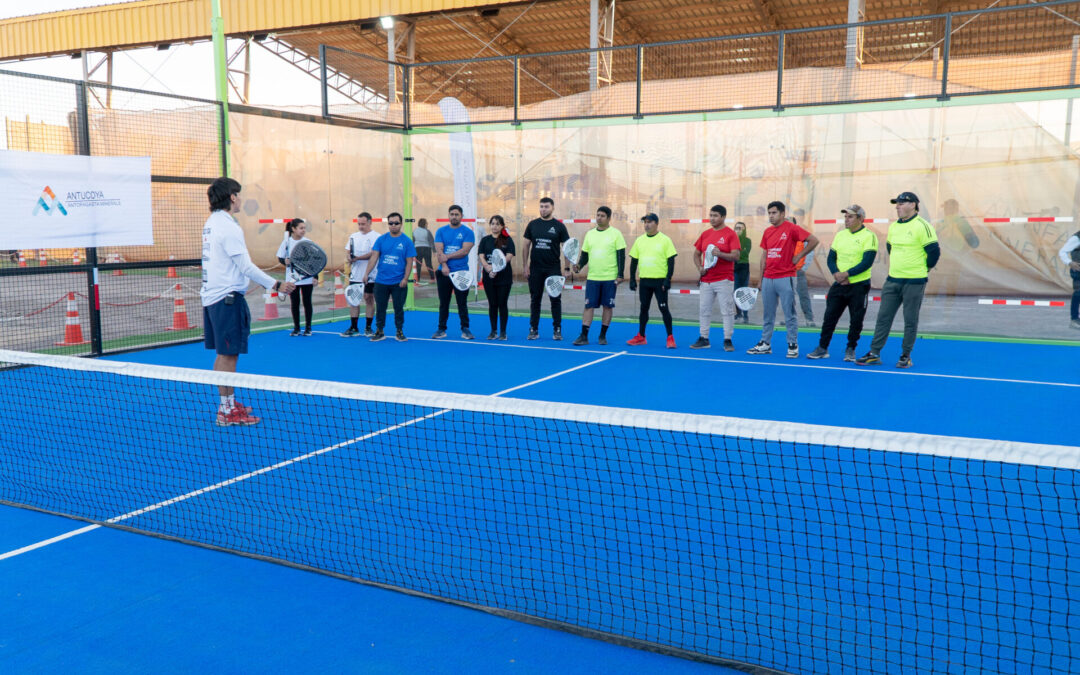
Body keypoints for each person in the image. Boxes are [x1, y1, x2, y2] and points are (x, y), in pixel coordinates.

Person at [200, 177, 294, 426]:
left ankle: (227, 404)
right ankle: (227, 411)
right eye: (239, 195)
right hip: (227, 300)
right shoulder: (229, 227)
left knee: (224, 354)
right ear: (232, 197)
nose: (241, 199)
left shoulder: (212, 223)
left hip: (214, 298)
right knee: (229, 356)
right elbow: (245, 266)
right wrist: (276, 284)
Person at [856, 192, 941, 369]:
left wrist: (923, 269)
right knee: (883, 317)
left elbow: (934, 252)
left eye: (902, 203)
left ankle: (905, 355)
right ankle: (874, 353)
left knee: (910, 319)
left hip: (914, 281)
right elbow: (890, 247)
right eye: (897, 203)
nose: (898, 206)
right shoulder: (894, 227)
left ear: (914, 205)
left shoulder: (922, 226)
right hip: (893, 280)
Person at [747, 201, 819, 358]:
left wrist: (799, 256)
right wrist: (761, 279)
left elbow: (813, 240)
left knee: (789, 312)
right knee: (768, 313)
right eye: (769, 213)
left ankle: (792, 344)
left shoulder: (792, 228)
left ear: (782, 214)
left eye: (774, 213)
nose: (771, 216)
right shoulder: (767, 232)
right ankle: (765, 343)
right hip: (768, 278)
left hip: (786, 276)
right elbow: (764, 256)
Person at [806, 205, 878, 361]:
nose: (846, 219)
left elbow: (867, 262)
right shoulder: (840, 235)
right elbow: (831, 258)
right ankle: (822, 348)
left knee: (856, 320)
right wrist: (836, 274)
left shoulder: (869, 236)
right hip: (839, 284)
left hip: (859, 285)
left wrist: (848, 274)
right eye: (845, 217)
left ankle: (851, 349)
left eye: (850, 216)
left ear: (860, 218)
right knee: (829, 317)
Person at [572, 206, 626, 346]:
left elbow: (621, 256)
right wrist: (579, 266)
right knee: (588, 306)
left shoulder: (616, 234)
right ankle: (584, 336)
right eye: (597, 215)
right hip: (593, 278)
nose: (599, 218)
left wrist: (620, 274)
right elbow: (585, 255)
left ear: (608, 218)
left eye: (602, 215)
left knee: (607, 307)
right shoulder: (590, 234)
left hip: (609, 278)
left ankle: (602, 336)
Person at [690, 205, 741, 351]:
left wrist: (721, 254)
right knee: (704, 310)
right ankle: (704, 338)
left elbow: (736, 256)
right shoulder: (705, 234)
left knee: (727, 311)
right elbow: (696, 254)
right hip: (706, 280)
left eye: (716, 215)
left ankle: (728, 340)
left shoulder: (730, 234)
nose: (712, 218)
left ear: (723, 217)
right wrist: (700, 268)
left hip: (724, 280)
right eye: (711, 215)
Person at [522, 197, 570, 340]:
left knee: (555, 299)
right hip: (535, 269)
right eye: (541, 206)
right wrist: (525, 266)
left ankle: (557, 329)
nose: (543, 209)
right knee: (535, 299)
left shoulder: (559, 226)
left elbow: (567, 248)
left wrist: (566, 268)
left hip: (553, 269)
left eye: (546, 206)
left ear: (552, 208)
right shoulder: (532, 225)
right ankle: (533, 329)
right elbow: (525, 246)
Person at [627, 213, 678, 348]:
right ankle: (641, 337)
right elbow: (634, 261)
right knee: (643, 309)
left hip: (660, 282)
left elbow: (671, 261)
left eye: (649, 222)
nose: (647, 225)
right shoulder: (639, 240)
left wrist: (668, 279)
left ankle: (670, 338)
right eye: (645, 222)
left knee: (663, 308)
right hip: (644, 281)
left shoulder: (665, 240)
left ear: (656, 223)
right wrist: (632, 279)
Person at [367, 212, 416, 342]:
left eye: (396, 223)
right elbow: (374, 258)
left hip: (398, 282)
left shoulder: (407, 241)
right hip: (381, 281)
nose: (393, 225)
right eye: (391, 223)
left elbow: (409, 262)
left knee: (398, 308)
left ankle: (399, 331)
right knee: (380, 308)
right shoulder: (381, 240)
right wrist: (366, 273)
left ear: (401, 224)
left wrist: (405, 278)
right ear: (388, 224)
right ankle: (379, 330)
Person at [432, 204, 476, 340]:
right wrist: (444, 266)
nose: (454, 217)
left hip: (461, 273)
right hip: (443, 273)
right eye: (452, 214)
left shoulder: (468, 232)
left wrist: (448, 257)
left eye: (457, 214)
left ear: (461, 216)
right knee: (443, 302)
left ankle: (465, 329)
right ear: (449, 216)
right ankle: (441, 329)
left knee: (462, 303)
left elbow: (465, 251)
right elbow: (439, 251)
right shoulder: (441, 231)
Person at [477, 215, 515, 340]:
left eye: (498, 224)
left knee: (502, 304)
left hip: (504, 277)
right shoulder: (485, 240)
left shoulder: (507, 240)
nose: (495, 226)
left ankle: (503, 332)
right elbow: (481, 255)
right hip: (489, 277)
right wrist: (488, 268)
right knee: (492, 304)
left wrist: (497, 268)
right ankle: (493, 331)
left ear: (502, 226)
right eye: (492, 223)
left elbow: (509, 256)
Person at [341, 212, 379, 337]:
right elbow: (348, 251)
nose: (361, 226)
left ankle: (368, 328)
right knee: (354, 301)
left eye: (363, 224)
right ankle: (354, 327)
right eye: (359, 224)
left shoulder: (376, 236)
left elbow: (373, 254)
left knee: (369, 299)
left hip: (371, 275)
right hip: (355, 275)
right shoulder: (353, 236)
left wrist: (357, 258)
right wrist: (349, 258)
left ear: (370, 222)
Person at [275, 218, 314, 337]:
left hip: (306, 277)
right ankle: (297, 328)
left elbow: (314, 260)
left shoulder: (308, 242)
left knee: (307, 302)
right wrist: (284, 261)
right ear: (293, 229)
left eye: (304, 228)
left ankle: (308, 327)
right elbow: (280, 257)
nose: (303, 230)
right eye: (301, 228)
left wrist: (315, 276)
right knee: (294, 302)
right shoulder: (286, 242)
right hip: (292, 278)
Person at [1059, 229, 1080, 330]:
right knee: (1078, 293)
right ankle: (1074, 319)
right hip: (1078, 270)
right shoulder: (1076, 238)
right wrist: (1069, 262)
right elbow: (1062, 251)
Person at [793, 240, 816, 327]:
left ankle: (809, 318)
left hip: (799, 272)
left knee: (803, 296)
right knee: (787, 296)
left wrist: (804, 268)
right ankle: (790, 318)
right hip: (787, 271)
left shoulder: (803, 237)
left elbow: (810, 251)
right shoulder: (784, 236)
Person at [733, 221, 752, 322]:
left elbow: (744, 253)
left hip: (744, 268)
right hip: (734, 268)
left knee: (744, 291)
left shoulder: (748, 241)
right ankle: (738, 313)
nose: (738, 230)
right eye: (737, 228)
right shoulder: (731, 240)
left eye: (741, 228)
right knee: (736, 291)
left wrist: (735, 253)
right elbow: (732, 254)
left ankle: (745, 315)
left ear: (744, 230)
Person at [411, 217, 436, 285]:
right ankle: (432, 278)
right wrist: (434, 251)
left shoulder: (414, 231)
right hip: (426, 248)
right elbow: (431, 241)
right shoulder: (427, 231)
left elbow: (412, 241)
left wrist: (412, 251)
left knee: (418, 265)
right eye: (427, 223)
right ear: (424, 224)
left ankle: (417, 279)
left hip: (417, 249)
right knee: (429, 264)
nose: (427, 224)